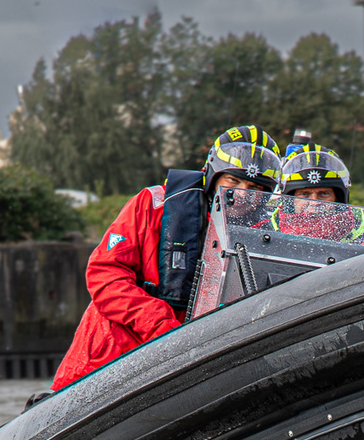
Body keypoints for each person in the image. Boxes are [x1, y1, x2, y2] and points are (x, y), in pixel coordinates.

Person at [49, 126, 281, 392]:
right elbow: (105, 274)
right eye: (233, 182)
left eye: (253, 187)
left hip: (183, 370)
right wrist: (161, 325)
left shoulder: (262, 236)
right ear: (212, 176)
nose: (240, 194)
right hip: (107, 361)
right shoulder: (153, 205)